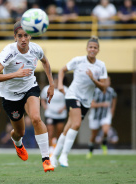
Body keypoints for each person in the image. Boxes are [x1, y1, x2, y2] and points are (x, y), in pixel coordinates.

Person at [0, 20, 55, 173]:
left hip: (30, 88)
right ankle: (17, 142)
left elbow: (45, 62)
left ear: (30, 36)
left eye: (26, 35)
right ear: (15, 37)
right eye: (20, 36)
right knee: (20, 132)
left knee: (36, 118)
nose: (23, 39)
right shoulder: (8, 52)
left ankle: (46, 159)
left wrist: (51, 84)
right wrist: (16, 74)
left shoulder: (36, 49)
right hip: (10, 96)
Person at [50, 36, 108, 168]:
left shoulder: (101, 65)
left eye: (95, 47)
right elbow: (62, 70)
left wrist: (93, 79)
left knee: (67, 128)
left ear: (98, 50)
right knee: (76, 124)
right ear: (87, 49)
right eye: (90, 47)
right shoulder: (78, 60)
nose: (92, 49)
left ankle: (53, 157)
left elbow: (104, 87)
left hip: (86, 101)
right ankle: (64, 155)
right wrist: (59, 84)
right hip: (73, 95)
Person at [86, 76, 117, 158]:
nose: (107, 83)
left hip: (105, 115)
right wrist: (102, 104)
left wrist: (112, 110)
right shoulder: (95, 91)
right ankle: (90, 150)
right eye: (105, 81)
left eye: (108, 81)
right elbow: (91, 105)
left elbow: (114, 99)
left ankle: (104, 144)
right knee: (93, 135)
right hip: (95, 116)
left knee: (106, 130)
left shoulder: (111, 91)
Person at [41, 74, 68, 156]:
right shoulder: (47, 88)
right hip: (50, 114)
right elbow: (42, 98)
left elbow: (69, 100)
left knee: (59, 131)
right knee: (50, 131)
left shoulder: (64, 89)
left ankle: (57, 146)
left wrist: (63, 108)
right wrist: (45, 106)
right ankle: (50, 149)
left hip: (61, 115)